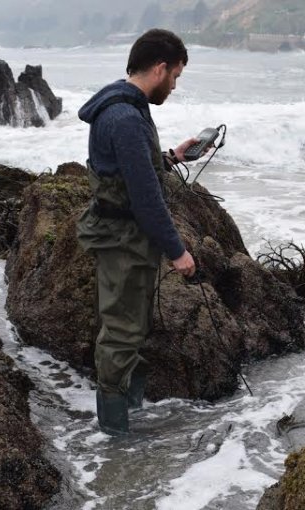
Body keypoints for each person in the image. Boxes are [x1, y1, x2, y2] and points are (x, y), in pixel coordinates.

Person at [76, 28, 201, 435]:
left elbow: (130, 169)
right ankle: (114, 441)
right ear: (161, 68)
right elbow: (146, 200)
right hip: (122, 241)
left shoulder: (124, 104)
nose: (175, 85)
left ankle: (129, 413)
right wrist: (177, 251)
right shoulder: (126, 117)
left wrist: (171, 157)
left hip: (122, 236)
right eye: (176, 76)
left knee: (128, 325)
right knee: (121, 331)